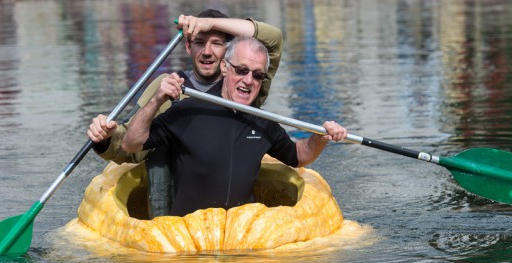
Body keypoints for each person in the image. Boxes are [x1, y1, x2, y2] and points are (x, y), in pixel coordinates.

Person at [120, 36, 347, 217]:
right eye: (241, 70)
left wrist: (320, 137)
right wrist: (157, 99)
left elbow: (298, 156)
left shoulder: (262, 121)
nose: (248, 80)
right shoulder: (187, 111)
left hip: (241, 240)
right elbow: (132, 143)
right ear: (225, 68)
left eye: (258, 76)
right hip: (190, 242)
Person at [88, 10, 282, 217]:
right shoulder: (166, 87)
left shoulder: (247, 83)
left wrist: (206, 23)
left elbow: (273, 39)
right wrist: (105, 138)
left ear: (228, 53)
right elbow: (129, 146)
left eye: (217, 43)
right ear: (188, 46)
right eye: (199, 42)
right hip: (177, 219)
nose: (207, 51)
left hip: (238, 220)